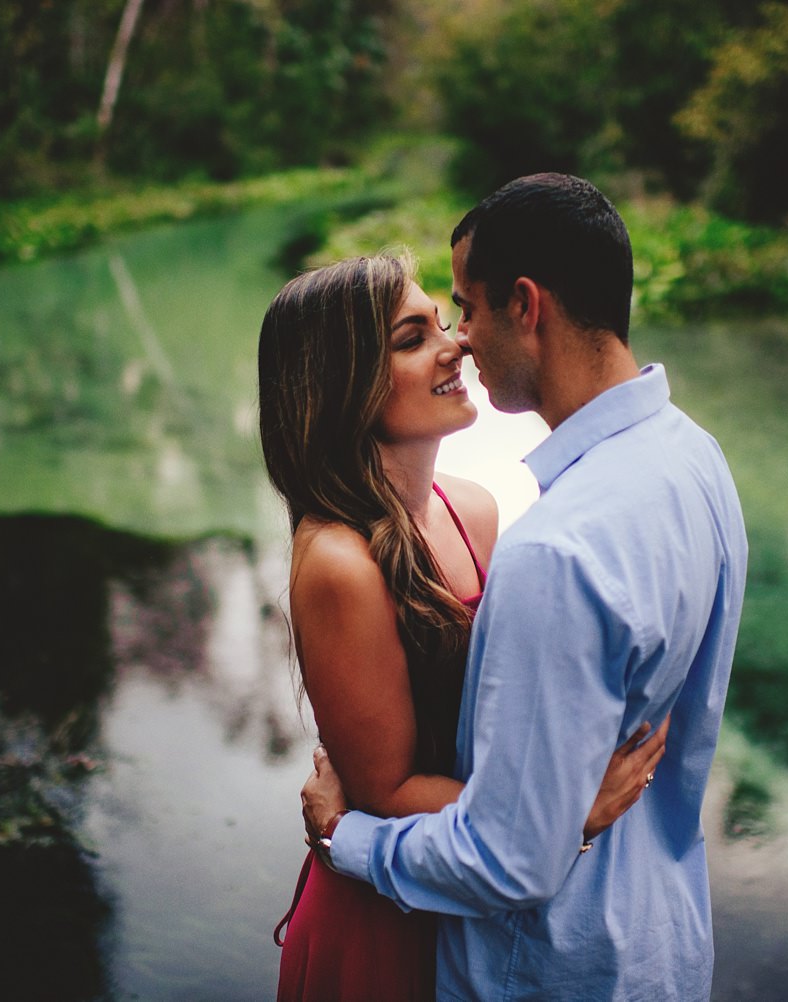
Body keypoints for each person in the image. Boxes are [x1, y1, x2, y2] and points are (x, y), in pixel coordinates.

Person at [301, 173, 749, 1000]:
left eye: (463, 310)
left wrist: (345, 839)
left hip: (550, 966)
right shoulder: (696, 460)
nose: (461, 341)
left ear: (526, 305)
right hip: (662, 943)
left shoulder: (554, 550)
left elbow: (511, 858)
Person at [258, 253, 669, 1001]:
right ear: (343, 380)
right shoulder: (339, 562)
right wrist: (559, 811)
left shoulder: (472, 507)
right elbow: (384, 791)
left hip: (471, 893)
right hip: (385, 916)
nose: (455, 346)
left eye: (444, 323)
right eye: (413, 338)